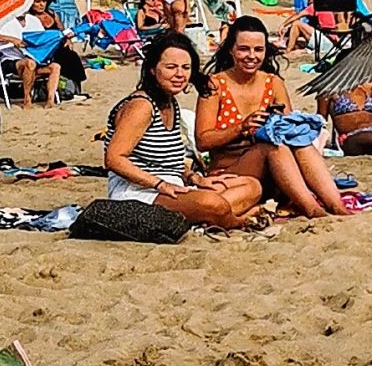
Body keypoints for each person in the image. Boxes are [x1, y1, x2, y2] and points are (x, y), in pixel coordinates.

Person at [104, 32, 264, 226]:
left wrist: (194, 177)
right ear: (153, 69)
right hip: (138, 192)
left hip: (172, 185)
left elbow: (169, 161)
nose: (180, 74)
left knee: (251, 186)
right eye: (171, 67)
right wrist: (160, 184)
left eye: (185, 68)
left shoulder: (170, 103)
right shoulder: (141, 106)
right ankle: (235, 221)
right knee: (213, 203)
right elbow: (114, 158)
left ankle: (205, 216)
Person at [197, 17, 348, 218]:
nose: (251, 56)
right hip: (232, 171)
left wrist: (282, 123)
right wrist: (241, 127)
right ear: (231, 50)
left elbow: (289, 129)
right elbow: (203, 140)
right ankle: (312, 209)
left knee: (299, 142)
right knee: (273, 147)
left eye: (258, 50)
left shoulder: (272, 82)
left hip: (276, 173)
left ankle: (336, 205)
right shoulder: (215, 85)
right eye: (244, 49)